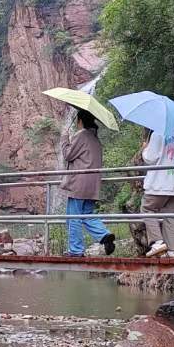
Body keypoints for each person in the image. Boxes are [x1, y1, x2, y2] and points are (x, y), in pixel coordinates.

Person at [62, 108, 115, 257]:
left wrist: (65, 139)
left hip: (79, 184)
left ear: (80, 121)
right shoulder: (95, 138)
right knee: (87, 214)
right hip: (93, 185)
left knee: (73, 217)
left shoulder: (82, 135)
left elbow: (68, 155)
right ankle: (105, 235)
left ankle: (76, 250)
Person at [137, 127, 174, 258]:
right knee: (171, 215)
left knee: (147, 208)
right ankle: (173, 250)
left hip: (161, 182)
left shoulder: (158, 133)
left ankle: (157, 242)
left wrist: (145, 149)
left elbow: (150, 157)